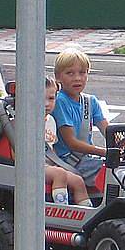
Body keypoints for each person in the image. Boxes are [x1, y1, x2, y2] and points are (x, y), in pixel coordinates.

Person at [51, 46, 109, 185]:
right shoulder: (60, 101)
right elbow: (72, 143)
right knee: (114, 174)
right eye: (70, 73)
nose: (77, 78)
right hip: (68, 162)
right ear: (58, 77)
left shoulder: (90, 102)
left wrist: (123, 145)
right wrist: (106, 152)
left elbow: (108, 131)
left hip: (87, 159)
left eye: (82, 73)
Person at [44, 76, 91, 206]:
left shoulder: (51, 121)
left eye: (51, 98)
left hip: (48, 165)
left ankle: (86, 216)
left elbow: (51, 150)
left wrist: (58, 164)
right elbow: (15, 153)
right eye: (40, 98)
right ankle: (61, 209)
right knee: (59, 174)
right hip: (30, 166)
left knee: (78, 181)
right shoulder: (22, 122)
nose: (47, 103)